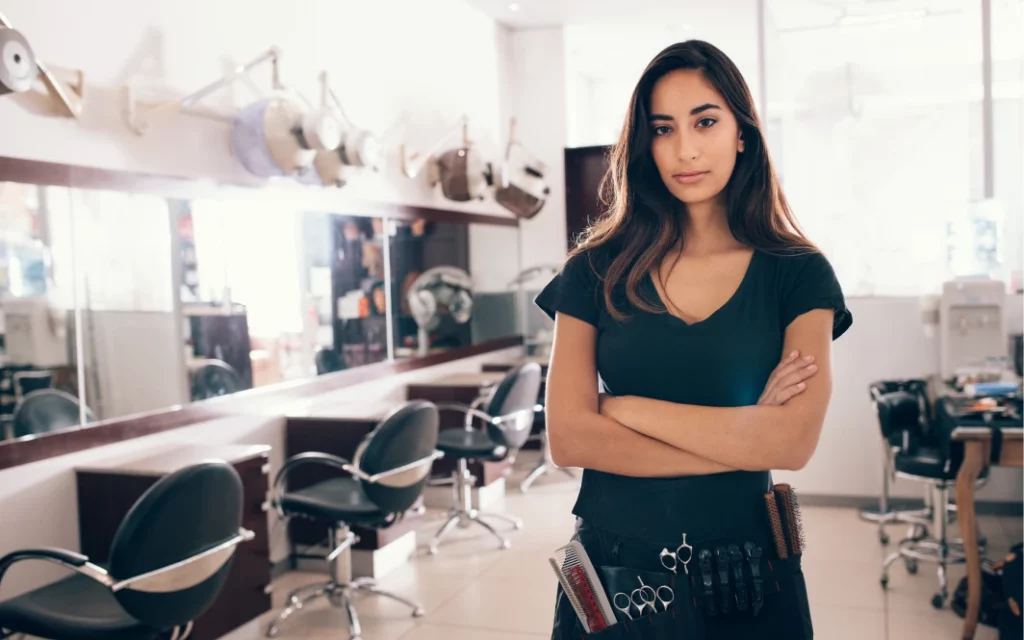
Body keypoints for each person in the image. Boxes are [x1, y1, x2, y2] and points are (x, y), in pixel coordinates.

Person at [537, 40, 852, 639]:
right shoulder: (592, 271)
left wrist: (625, 409)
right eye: (662, 129)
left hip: (747, 572)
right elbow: (569, 436)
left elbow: (791, 442)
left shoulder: (798, 273)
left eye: (705, 121)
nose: (684, 149)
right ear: (644, 144)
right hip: (614, 571)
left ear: (742, 132)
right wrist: (743, 436)